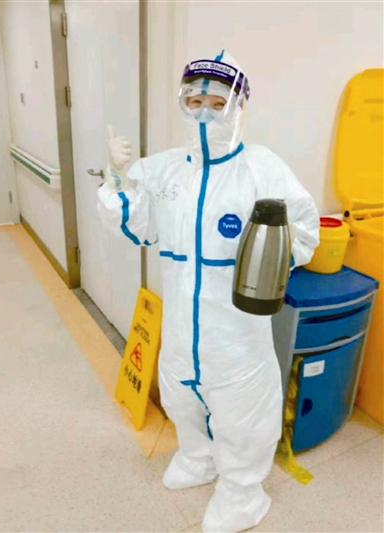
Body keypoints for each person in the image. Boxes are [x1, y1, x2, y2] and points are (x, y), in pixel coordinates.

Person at [98, 50, 319, 533]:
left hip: (236, 332)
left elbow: (304, 232)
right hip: (182, 326)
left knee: (242, 414)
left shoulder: (262, 168)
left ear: (239, 107)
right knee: (182, 397)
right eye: (195, 101)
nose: (204, 112)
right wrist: (116, 177)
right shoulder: (166, 170)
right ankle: (197, 459)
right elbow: (137, 226)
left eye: (218, 103)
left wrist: (269, 255)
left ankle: (242, 493)